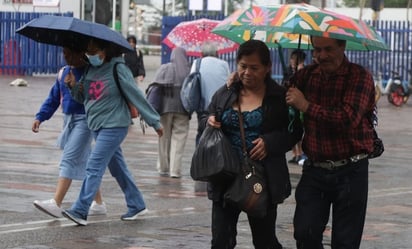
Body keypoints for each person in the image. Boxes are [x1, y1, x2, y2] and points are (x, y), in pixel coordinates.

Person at [204, 40, 303, 249]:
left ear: (268, 67)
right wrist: (211, 119)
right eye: (243, 66)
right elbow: (211, 110)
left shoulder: (279, 97)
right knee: (221, 241)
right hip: (225, 176)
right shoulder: (227, 91)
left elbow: (294, 132)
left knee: (264, 241)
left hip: (261, 178)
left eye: (254, 67)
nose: (247, 72)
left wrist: (270, 142)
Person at [286, 36, 376, 249]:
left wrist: (306, 105)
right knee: (304, 232)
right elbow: (279, 101)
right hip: (315, 169)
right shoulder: (305, 76)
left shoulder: (359, 77)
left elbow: (348, 118)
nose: (321, 56)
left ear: (342, 46)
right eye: (317, 50)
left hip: (351, 169)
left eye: (328, 49)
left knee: (345, 241)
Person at [62, 38, 163, 226]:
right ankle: (136, 204)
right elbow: (82, 97)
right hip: (97, 126)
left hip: (115, 125)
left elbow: (136, 94)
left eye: (94, 52)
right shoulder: (90, 70)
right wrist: (72, 86)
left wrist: (154, 121)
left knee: (93, 166)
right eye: (88, 52)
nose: (90, 56)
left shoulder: (118, 69)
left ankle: (80, 210)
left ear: (104, 51)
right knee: (118, 168)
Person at [32, 46, 106, 218]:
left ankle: (56, 203)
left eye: (69, 53)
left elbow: (97, 97)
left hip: (86, 121)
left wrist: (76, 86)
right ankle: (99, 203)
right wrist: (40, 117)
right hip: (68, 120)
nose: (66, 57)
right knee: (87, 163)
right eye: (64, 53)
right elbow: (53, 99)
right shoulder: (63, 72)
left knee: (69, 158)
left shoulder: (91, 72)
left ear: (80, 53)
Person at [190, 41, 231, 193]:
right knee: (219, 134)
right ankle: (218, 163)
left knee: (202, 134)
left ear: (202, 53)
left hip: (202, 106)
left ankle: (201, 163)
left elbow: (191, 82)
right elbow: (229, 83)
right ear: (216, 53)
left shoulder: (197, 63)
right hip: (221, 105)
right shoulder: (224, 64)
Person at [153, 47, 191, 178]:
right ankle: (175, 170)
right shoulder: (188, 70)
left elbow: (155, 85)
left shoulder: (165, 68)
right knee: (178, 140)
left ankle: (163, 168)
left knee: (163, 138)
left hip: (164, 109)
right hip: (183, 110)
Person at [283, 49, 307, 165]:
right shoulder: (288, 71)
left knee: (300, 129)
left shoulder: (305, 71)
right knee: (290, 128)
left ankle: (301, 153)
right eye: (291, 58)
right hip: (289, 104)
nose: (292, 61)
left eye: (295, 59)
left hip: (300, 105)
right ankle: (295, 153)